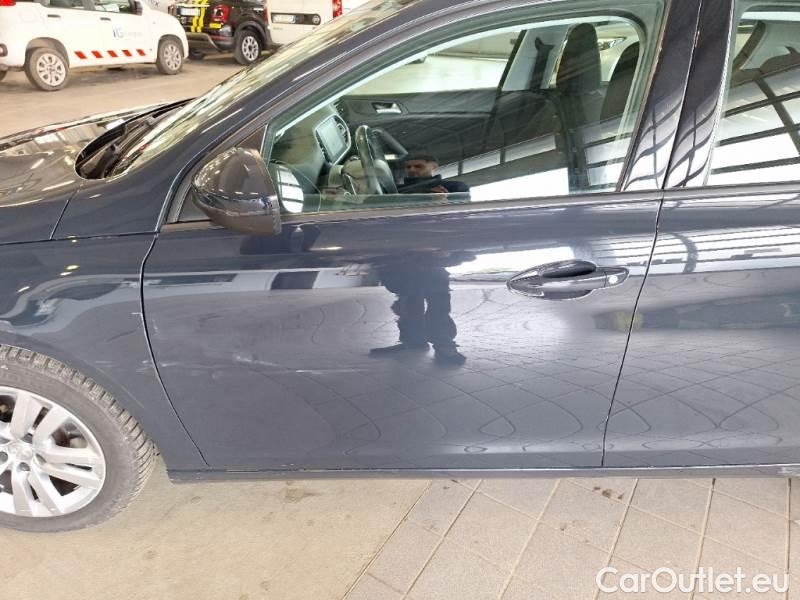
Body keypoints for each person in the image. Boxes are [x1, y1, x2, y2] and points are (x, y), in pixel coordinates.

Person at [398, 153, 470, 195]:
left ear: (434, 166)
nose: (411, 170)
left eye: (418, 166)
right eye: (408, 167)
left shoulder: (454, 187)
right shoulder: (396, 189)